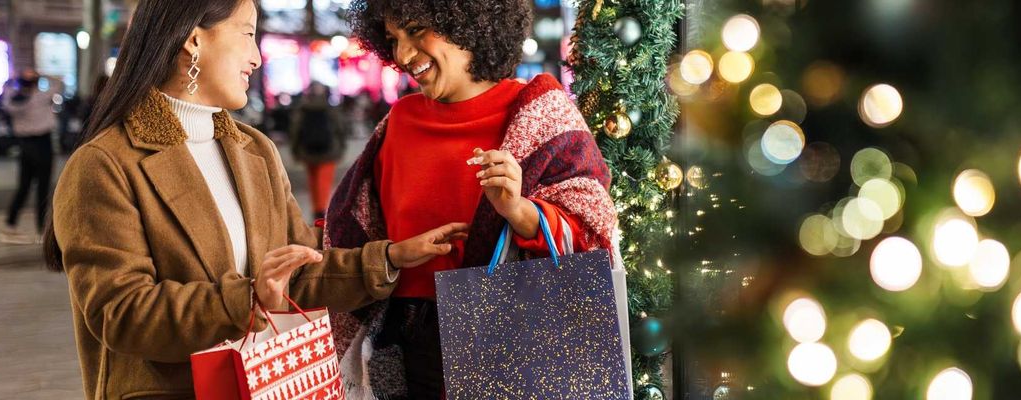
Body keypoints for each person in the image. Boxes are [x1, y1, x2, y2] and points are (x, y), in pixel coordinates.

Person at [42, 0, 469, 398]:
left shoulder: (253, 149)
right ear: (194, 39)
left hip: (266, 382)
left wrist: (390, 257)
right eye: (247, 34)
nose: (257, 57)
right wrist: (248, 300)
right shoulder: (105, 164)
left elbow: (296, 271)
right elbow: (121, 314)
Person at [332, 0, 620, 397]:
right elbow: (357, 225)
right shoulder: (399, 121)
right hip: (407, 344)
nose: (403, 54)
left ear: (468, 20)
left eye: (416, 30)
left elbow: (592, 229)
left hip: (512, 335)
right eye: (393, 39)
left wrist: (518, 211)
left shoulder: (540, 112)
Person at [0, 69, 56, 244]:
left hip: (24, 145)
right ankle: (41, 231)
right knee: (43, 188)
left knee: (24, 187)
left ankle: (10, 225)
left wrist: (13, 81)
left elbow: (5, 93)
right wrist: (43, 74)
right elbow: (58, 84)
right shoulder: (40, 97)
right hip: (43, 143)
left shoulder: (13, 101)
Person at [288, 82, 346, 220]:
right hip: (328, 152)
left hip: (308, 152)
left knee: (313, 181)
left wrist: (295, 151)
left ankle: (316, 209)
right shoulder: (330, 109)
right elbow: (340, 130)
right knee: (324, 182)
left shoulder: (303, 109)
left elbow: (295, 132)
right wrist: (341, 149)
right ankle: (321, 210)